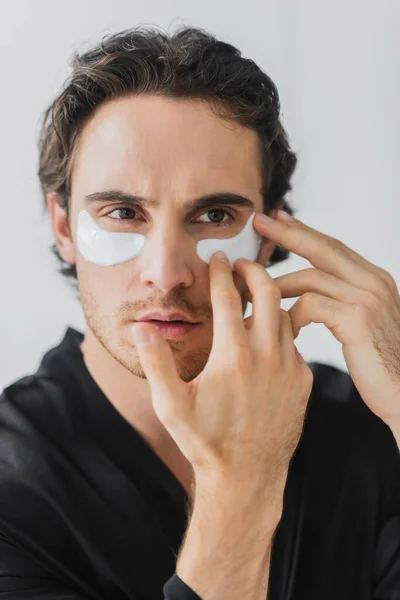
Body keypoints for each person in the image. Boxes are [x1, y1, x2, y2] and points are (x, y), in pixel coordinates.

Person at [1, 25, 400, 600]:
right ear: (64, 226)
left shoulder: (364, 431)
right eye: (121, 212)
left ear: (269, 236)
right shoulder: (14, 485)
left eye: (214, 216)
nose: (166, 273)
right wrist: (241, 489)